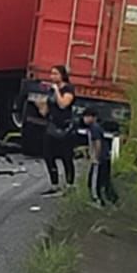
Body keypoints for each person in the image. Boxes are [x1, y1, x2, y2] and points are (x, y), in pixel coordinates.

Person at [41, 64, 76, 194]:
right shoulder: (51, 90)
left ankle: (70, 184)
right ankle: (54, 184)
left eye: (55, 74)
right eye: (51, 74)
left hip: (65, 127)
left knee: (66, 156)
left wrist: (56, 90)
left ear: (62, 75)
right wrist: (42, 104)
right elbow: (45, 111)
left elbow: (63, 105)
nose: (52, 76)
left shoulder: (68, 89)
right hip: (52, 125)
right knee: (48, 155)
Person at [82, 110, 119, 206]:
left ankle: (98, 200)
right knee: (105, 180)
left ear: (94, 117)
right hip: (105, 157)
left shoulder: (94, 128)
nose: (85, 119)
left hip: (100, 159)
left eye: (88, 116)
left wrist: (96, 157)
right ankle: (112, 199)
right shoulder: (96, 128)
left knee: (94, 181)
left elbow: (98, 143)